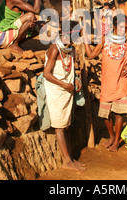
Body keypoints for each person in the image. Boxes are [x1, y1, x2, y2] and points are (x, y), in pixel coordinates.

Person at [83, 13, 127, 152]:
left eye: (125, 27)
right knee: (106, 114)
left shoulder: (126, 42)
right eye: (120, 27)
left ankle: (116, 141)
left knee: (119, 114)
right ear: (113, 26)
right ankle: (112, 136)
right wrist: (85, 39)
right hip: (107, 84)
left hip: (121, 82)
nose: (123, 30)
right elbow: (91, 55)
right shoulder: (105, 40)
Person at [42, 21, 85, 171]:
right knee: (59, 127)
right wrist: (64, 84)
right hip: (56, 91)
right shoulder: (54, 49)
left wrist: (76, 79)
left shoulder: (70, 49)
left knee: (65, 125)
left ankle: (70, 158)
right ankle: (67, 161)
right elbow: (46, 74)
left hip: (67, 90)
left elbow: (72, 69)